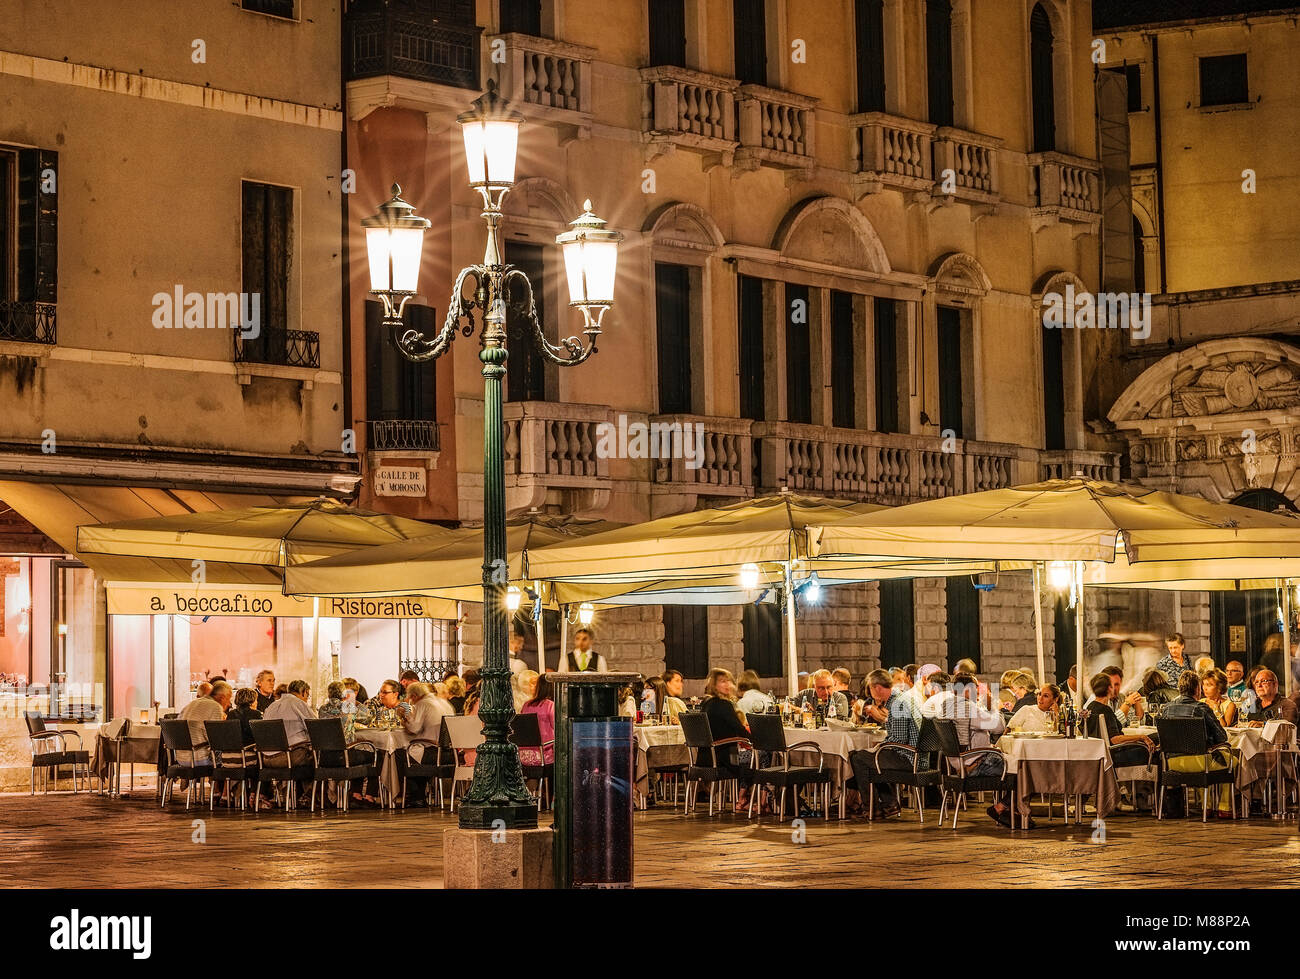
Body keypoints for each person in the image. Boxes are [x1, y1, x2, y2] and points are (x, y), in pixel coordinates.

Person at [849, 669, 920, 819]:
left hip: (908, 757)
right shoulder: (901, 699)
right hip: (914, 754)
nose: (870, 693)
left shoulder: (898, 704)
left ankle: (871, 808)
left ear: (877, 688)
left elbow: (898, 740)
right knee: (870, 758)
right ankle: (889, 804)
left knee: (858, 758)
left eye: (870, 689)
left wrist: (878, 747)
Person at [1164, 670, 1236, 817]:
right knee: (1231, 760)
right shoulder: (1202, 708)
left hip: (1172, 763)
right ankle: (1224, 807)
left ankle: (1206, 805)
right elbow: (1222, 737)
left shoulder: (1166, 709)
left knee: (1199, 753)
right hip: (1199, 762)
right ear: (1197, 688)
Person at [698, 668, 754, 811]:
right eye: (723, 681)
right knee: (758, 758)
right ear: (714, 685)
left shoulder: (706, 703)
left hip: (705, 758)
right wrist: (755, 741)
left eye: (729, 680)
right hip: (725, 757)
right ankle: (745, 800)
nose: (728, 684)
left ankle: (748, 799)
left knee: (753, 756)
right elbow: (739, 729)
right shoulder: (723, 705)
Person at [1084, 673, 1156, 767]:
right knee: (1157, 739)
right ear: (1109, 688)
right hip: (1116, 756)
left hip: (1101, 756)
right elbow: (1115, 739)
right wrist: (1142, 737)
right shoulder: (1106, 710)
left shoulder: (1090, 707)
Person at [400, 682, 453, 807]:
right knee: (413, 752)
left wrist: (403, 718)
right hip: (448, 752)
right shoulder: (444, 702)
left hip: (433, 752)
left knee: (399, 754)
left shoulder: (422, 704)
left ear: (413, 696)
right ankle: (419, 794)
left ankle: (415, 796)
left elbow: (413, 729)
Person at [922, 671, 1004, 749]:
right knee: (1007, 758)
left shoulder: (946, 705)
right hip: (974, 757)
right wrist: (996, 708)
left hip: (952, 758)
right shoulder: (968, 709)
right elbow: (999, 727)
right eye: (976, 687)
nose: (977, 691)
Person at [177, 681, 231, 761]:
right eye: (229, 699)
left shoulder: (192, 703)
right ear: (222, 697)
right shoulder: (216, 707)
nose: (229, 704)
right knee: (233, 761)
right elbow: (216, 740)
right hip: (200, 757)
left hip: (181, 758)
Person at [262, 679, 316, 746]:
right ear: (304, 692)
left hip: (268, 752)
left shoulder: (272, 706)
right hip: (292, 751)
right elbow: (315, 727)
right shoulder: (299, 703)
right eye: (307, 696)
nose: (307, 699)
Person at [519, 673, 555, 768]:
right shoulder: (551, 705)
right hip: (544, 756)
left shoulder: (526, 705)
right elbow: (558, 730)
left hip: (524, 756)